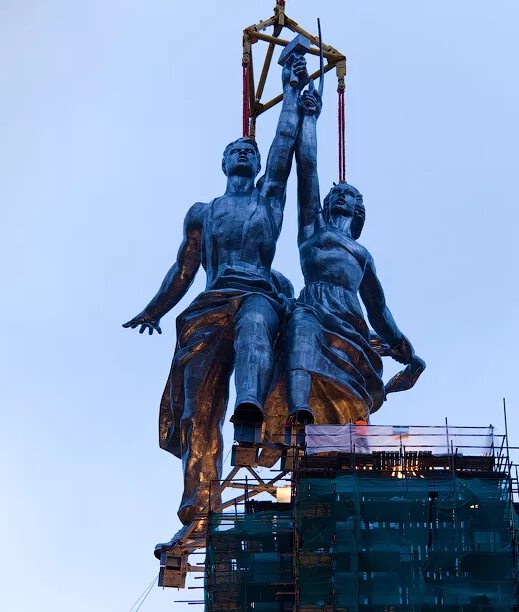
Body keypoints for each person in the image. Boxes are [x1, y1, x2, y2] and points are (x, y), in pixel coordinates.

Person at [122, 54, 308, 534]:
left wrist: (290, 93)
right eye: (236, 149)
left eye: (250, 148)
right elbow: (182, 269)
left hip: (257, 294)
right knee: (195, 412)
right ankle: (197, 506)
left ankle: (250, 417)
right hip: (208, 308)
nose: (245, 151)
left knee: (254, 326)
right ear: (224, 162)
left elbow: (283, 147)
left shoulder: (269, 200)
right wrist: (154, 308)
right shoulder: (202, 212)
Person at [263, 88, 424, 440]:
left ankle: (347, 434)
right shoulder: (312, 230)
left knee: (349, 391)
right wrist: (310, 119)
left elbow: (379, 311)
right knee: (300, 326)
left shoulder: (362, 254)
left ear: (357, 209)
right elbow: (307, 169)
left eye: (348, 194)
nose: (340, 194)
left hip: (349, 320)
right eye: (336, 192)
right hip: (313, 307)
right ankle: (298, 408)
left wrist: (402, 346)